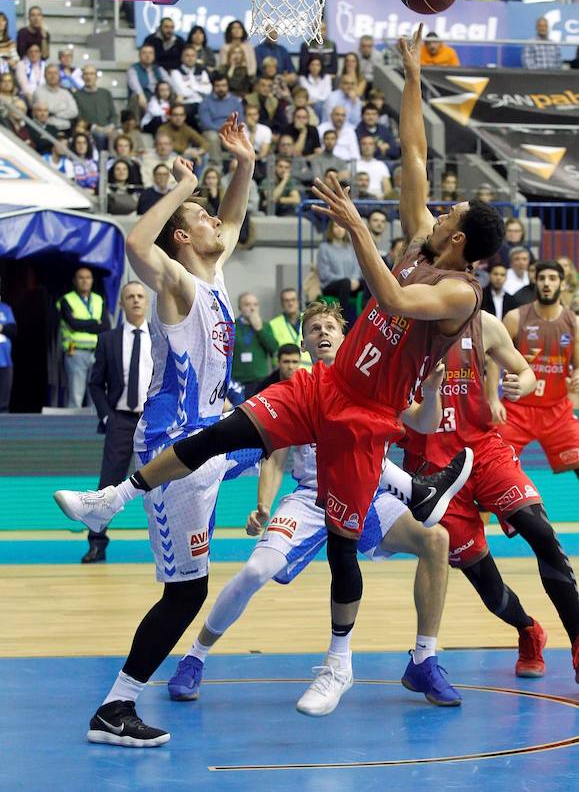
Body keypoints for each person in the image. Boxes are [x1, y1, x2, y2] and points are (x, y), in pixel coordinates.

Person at [55, 27, 506, 726]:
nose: (434, 208)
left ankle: (338, 662)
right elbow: (414, 153)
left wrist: (358, 228)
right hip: (323, 387)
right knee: (225, 431)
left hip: (364, 415)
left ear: (458, 241)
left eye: (447, 214)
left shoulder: (458, 293)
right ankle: (114, 498)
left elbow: (390, 300)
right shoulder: (423, 240)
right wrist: (412, 75)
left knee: (345, 545)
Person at [55, 116, 259, 746]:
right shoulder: (176, 283)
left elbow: (230, 219)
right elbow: (136, 246)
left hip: (210, 436)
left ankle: (394, 491)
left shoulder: (213, 277)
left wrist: (245, 164)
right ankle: (115, 708)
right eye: (203, 219)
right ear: (183, 233)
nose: (216, 224)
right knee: (184, 594)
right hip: (175, 443)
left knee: (298, 423)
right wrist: (181, 187)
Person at [173, 302, 460, 712]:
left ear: (346, 338)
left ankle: (423, 659)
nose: (322, 332)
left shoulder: (373, 381)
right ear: (305, 343)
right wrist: (263, 504)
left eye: (330, 326)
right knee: (256, 569)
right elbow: (274, 453)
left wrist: (431, 390)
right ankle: (195, 656)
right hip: (311, 496)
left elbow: (424, 422)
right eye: (313, 329)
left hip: (368, 493)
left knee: (436, 540)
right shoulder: (301, 384)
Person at [403, 307, 579, 681]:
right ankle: (529, 630)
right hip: (432, 473)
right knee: (490, 588)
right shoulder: (396, 330)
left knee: (542, 533)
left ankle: (578, 644)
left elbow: (526, 371)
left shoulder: (481, 323)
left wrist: (523, 384)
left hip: (484, 450)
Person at [83, 282, 153, 563]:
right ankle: (96, 544)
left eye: (140, 296)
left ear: (146, 302)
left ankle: (172, 543)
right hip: (120, 420)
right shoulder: (108, 339)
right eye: (130, 297)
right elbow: (96, 384)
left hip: (154, 421)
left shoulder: (161, 336)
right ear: (122, 304)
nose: (135, 301)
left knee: (164, 482)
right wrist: (107, 417)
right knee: (108, 485)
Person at [497, 261, 579, 478]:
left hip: (557, 411)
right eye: (542, 278)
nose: (546, 283)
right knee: (492, 470)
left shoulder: (574, 323)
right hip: (516, 410)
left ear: (562, 284)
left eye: (553, 279)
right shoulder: (515, 318)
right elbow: (492, 358)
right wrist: (492, 399)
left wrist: (578, 374)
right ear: (535, 282)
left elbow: (578, 365)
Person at [57, 267, 111, 409]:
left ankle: (94, 430)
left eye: (88, 277)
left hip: (97, 352)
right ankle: (72, 429)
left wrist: (84, 323)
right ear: (75, 281)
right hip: (76, 352)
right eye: (81, 277)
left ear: (93, 280)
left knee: (96, 394)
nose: (85, 280)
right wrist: (94, 322)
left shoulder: (99, 299)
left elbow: (105, 326)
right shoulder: (67, 300)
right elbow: (73, 324)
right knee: (75, 395)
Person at [231, 292, 278, 399]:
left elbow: (274, 348)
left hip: (260, 380)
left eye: (255, 305)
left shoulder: (265, 325)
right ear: (240, 307)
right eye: (247, 304)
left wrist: (259, 329)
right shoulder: (232, 325)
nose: (252, 308)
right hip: (237, 381)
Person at [317, 219, 362, 319]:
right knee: (345, 283)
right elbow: (324, 274)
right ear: (331, 229)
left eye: (341, 226)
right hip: (330, 285)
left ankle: (366, 318)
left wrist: (354, 280)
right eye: (336, 226)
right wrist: (348, 281)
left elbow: (357, 267)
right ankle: (342, 319)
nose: (339, 230)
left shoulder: (351, 247)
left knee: (367, 283)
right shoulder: (324, 248)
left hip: (350, 284)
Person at [198, 74, 244, 165]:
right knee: (212, 137)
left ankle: (239, 166)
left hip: (231, 131)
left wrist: (230, 130)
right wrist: (222, 130)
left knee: (242, 135)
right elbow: (205, 123)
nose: (221, 88)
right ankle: (217, 167)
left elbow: (240, 119)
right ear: (213, 87)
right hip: (213, 131)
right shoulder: (206, 102)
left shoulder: (235, 102)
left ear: (227, 87)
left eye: (223, 86)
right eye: (218, 86)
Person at [75, 65, 118, 150]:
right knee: (100, 135)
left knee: (119, 138)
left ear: (96, 77)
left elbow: (114, 115)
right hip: (89, 130)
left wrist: (111, 126)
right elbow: (78, 118)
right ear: (82, 77)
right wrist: (94, 127)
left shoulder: (106, 93)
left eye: (91, 74)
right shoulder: (77, 95)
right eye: (86, 74)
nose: (88, 77)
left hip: (107, 128)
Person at [269, 288, 312, 370]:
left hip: (309, 372)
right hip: (285, 373)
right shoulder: (273, 324)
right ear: (281, 304)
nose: (290, 303)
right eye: (286, 300)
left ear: (298, 301)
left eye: (293, 299)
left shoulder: (309, 319)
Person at [126, 44, 168, 117]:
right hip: (143, 97)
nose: (148, 56)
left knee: (174, 94)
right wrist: (141, 95)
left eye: (150, 53)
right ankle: (137, 126)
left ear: (154, 56)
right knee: (136, 96)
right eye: (144, 53)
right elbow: (134, 84)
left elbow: (169, 82)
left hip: (158, 96)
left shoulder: (159, 69)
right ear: (139, 56)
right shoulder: (133, 69)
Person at [0, 284, 16, 412]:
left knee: (3, 403)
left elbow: (13, 330)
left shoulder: (5, 308)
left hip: (4, 361)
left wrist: (1, 328)